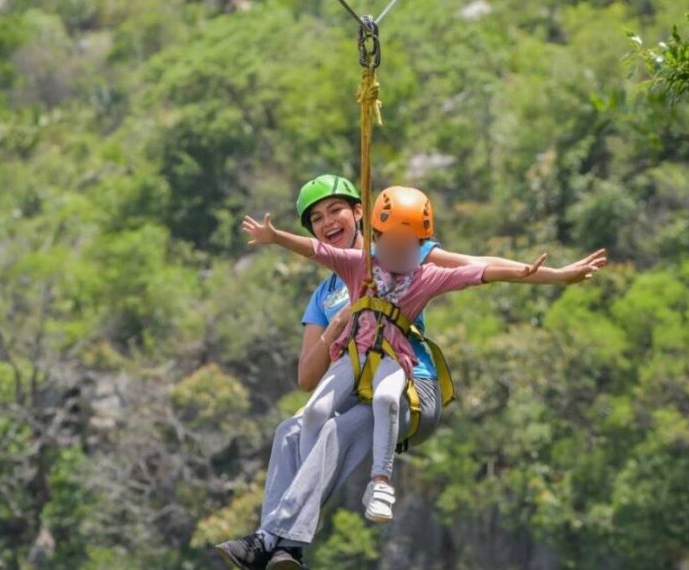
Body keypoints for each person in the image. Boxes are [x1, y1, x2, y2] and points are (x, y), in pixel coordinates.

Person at [217, 175, 607, 570]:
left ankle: (268, 540)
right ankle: (286, 549)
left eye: (336, 210)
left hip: (406, 385)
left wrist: (554, 274)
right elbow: (306, 378)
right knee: (290, 431)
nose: (328, 221)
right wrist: (339, 324)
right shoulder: (324, 294)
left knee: (336, 431)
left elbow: (481, 267)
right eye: (317, 217)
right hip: (354, 384)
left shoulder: (404, 249)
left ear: (360, 214)